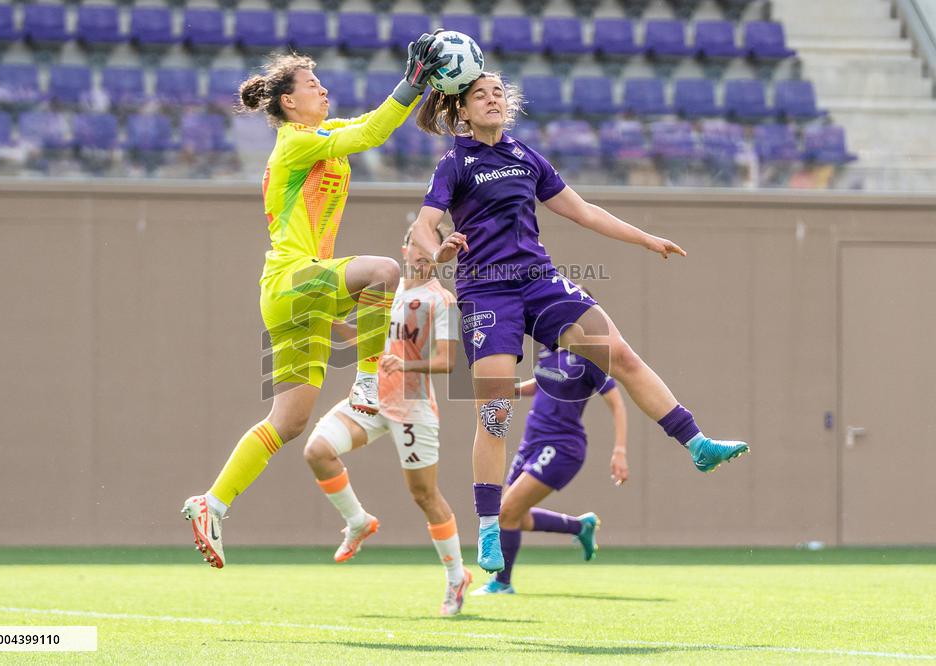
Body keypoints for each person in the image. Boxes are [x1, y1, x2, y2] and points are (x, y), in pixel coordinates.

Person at [409, 72, 750, 574]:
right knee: (495, 411)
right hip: (487, 290)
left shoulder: (527, 157)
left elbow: (584, 211)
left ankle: (697, 444)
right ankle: (488, 527)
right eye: (480, 95)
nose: (492, 99)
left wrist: (645, 238)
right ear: (462, 110)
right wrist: (437, 249)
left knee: (621, 356)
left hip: (540, 281)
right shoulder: (455, 163)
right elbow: (423, 224)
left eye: (498, 92)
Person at [181, 38, 451, 569]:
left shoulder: (319, 136)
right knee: (384, 272)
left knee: (288, 422)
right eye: (312, 84)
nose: (323, 89)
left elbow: (369, 124)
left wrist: (417, 90)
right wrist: (412, 84)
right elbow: (371, 133)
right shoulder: (295, 142)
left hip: (290, 297)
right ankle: (371, 383)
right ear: (288, 102)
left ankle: (212, 502)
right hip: (293, 280)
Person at [302, 226, 473, 615]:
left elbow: (448, 361)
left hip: (412, 405)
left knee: (424, 495)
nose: (421, 253)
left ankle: (456, 576)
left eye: (429, 247)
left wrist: (406, 363)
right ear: (404, 247)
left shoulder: (441, 300)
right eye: (416, 244)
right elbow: (365, 341)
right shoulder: (385, 290)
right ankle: (358, 521)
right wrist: (326, 320)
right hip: (372, 399)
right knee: (317, 451)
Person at [473, 336, 629, 595]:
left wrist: (620, 451)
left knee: (507, 512)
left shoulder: (588, 358)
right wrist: (506, 390)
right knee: (515, 516)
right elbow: (541, 384)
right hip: (531, 442)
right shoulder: (547, 350)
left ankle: (502, 583)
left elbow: (617, 404)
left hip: (562, 446)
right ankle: (580, 527)